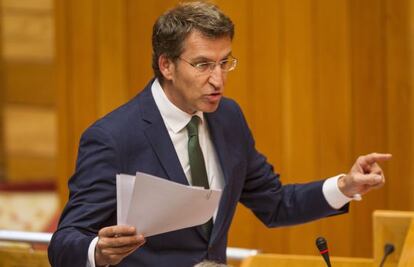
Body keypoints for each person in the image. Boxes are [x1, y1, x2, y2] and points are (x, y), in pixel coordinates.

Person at [48, 2, 391, 267]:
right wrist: (99, 251)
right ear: (166, 65)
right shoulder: (114, 136)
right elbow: (64, 242)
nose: (218, 79)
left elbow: (274, 204)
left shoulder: (228, 117)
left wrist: (345, 186)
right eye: (203, 65)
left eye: (224, 62)